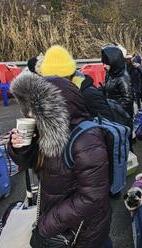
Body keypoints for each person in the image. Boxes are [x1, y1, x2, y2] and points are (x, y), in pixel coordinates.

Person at [9, 72, 112, 248]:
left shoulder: (87, 140)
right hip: (61, 219)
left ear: (54, 110)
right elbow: (31, 164)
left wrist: (45, 227)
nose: (30, 116)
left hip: (84, 229)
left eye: (35, 111)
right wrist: (21, 148)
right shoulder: (47, 132)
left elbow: (92, 197)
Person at [101, 44, 134, 119]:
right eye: (103, 63)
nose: (104, 66)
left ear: (114, 61)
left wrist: (113, 108)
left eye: (106, 63)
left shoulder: (123, 78)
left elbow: (127, 100)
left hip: (122, 115)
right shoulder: (110, 74)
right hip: (112, 113)